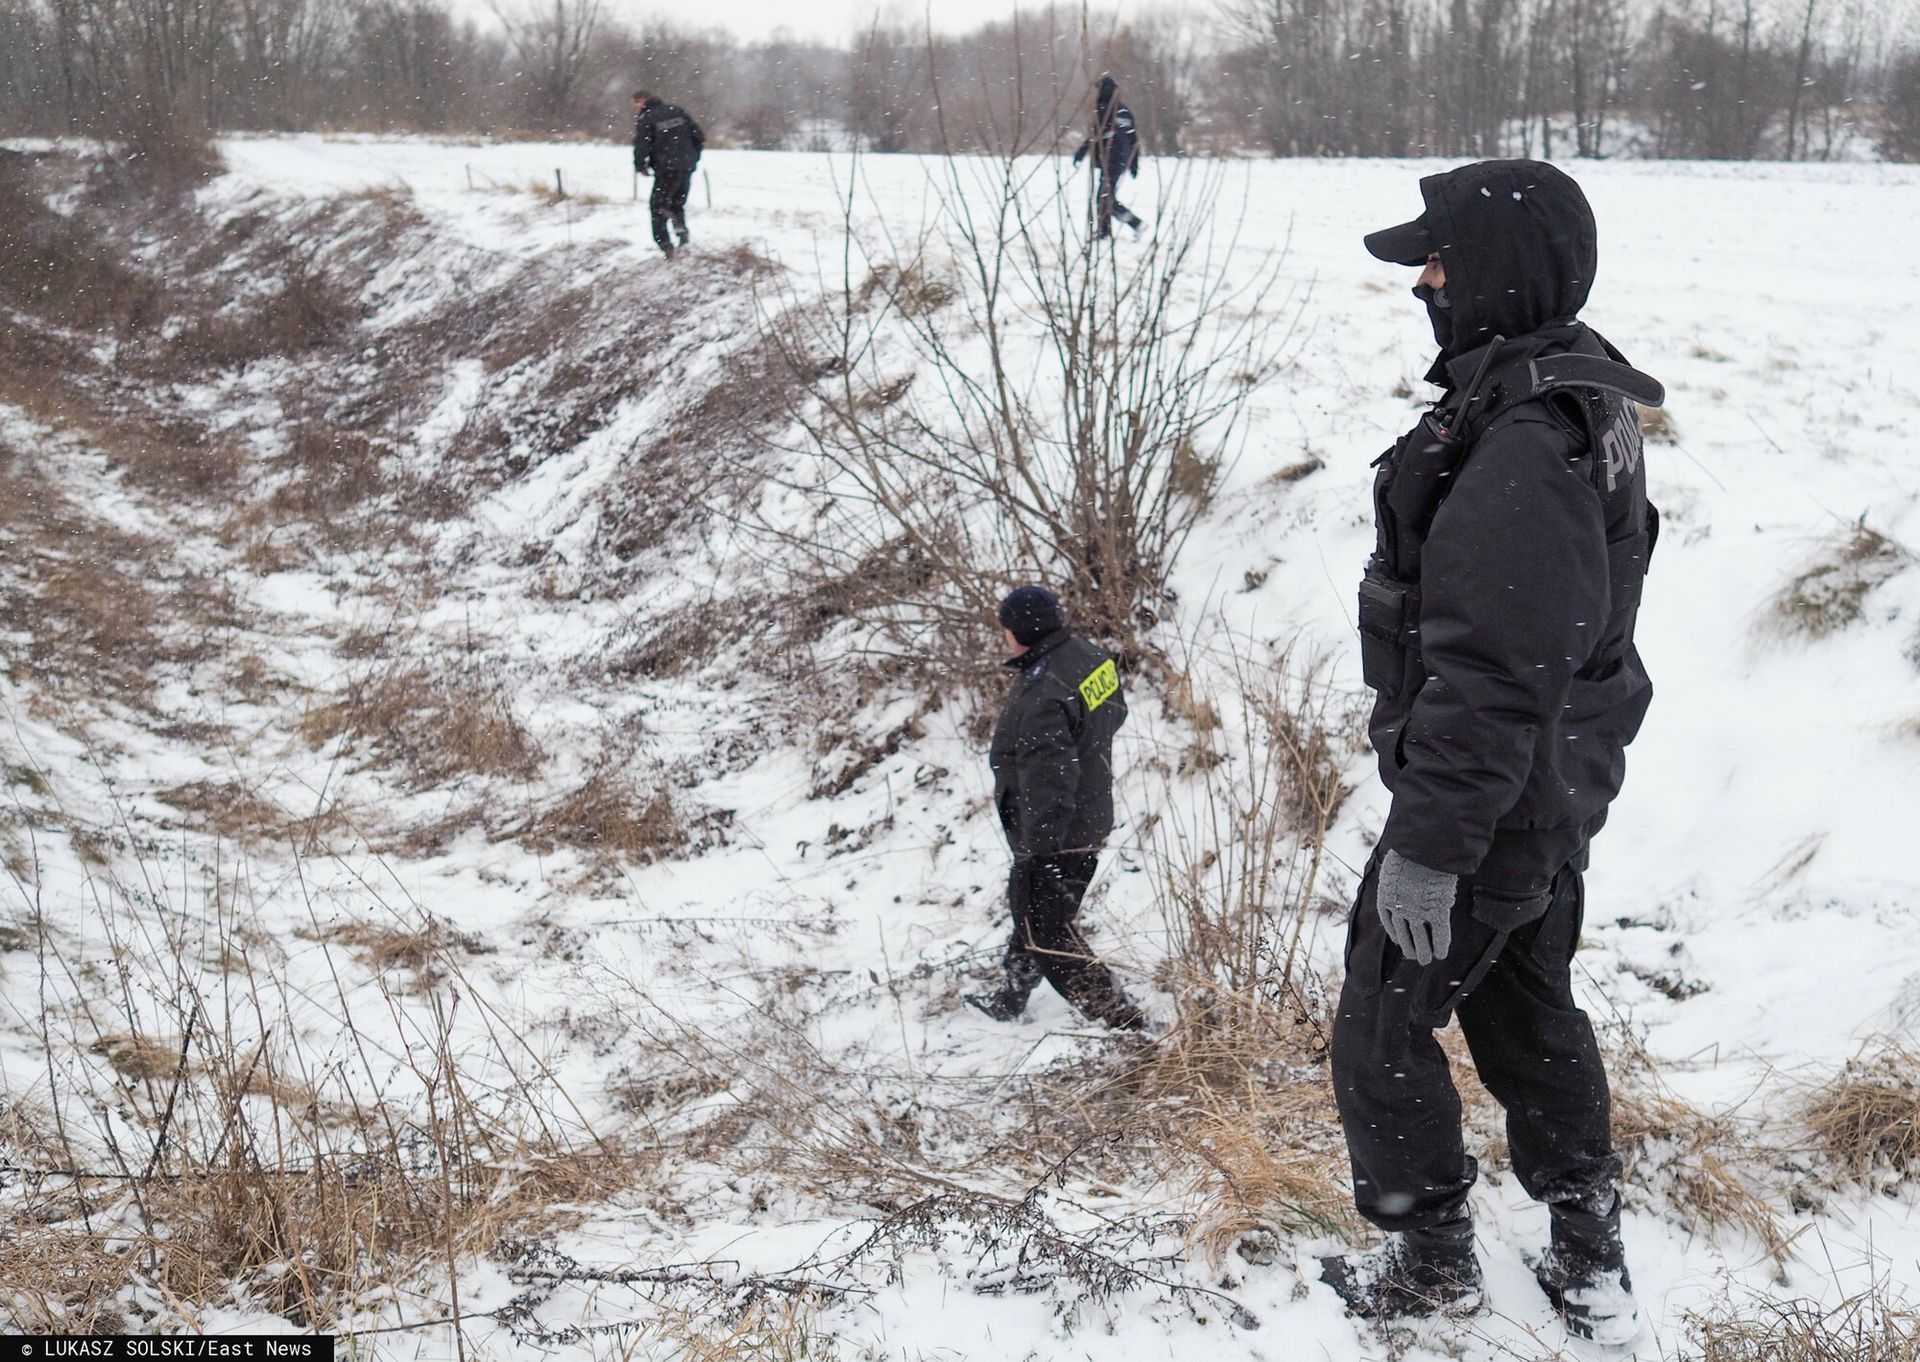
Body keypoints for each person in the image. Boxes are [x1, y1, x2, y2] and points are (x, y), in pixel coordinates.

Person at [1318, 159, 1665, 1347]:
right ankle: (1589, 1256)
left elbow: (1495, 675)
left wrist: (1431, 848)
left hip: (1492, 807)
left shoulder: (1523, 442)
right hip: (1546, 793)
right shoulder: (1575, 392)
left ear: (1501, 271)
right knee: (1527, 1010)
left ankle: (1429, 1266)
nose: (1424, 282)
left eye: (1440, 260)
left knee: (1381, 1027)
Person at [966, 587, 1143, 1031]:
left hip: (1057, 834)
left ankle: (1123, 1021)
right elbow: (1114, 713)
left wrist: (1040, 852)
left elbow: (1049, 781)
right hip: (1090, 813)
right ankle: (1010, 997)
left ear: (1018, 633)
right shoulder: (1089, 657)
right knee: (1039, 916)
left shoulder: (1041, 696)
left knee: (1047, 933)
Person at [632, 90, 704, 258]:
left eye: (635, 104)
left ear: (642, 101)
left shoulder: (646, 117)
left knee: (658, 206)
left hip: (666, 168)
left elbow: (642, 144)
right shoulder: (677, 110)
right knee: (677, 203)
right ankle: (682, 235)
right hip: (686, 166)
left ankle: (666, 246)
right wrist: (692, 158)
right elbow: (698, 136)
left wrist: (640, 165)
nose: (636, 108)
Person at [1071, 75, 1142, 241]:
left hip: (1110, 158)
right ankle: (1105, 231)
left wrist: (1081, 153)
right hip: (1122, 160)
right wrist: (1134, 163)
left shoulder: (1103, 109)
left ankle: (1134, 223)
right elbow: (1133, 139)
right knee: (1105, 196)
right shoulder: (1124, 111)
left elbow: (1095, 135)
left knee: (1104, 198)